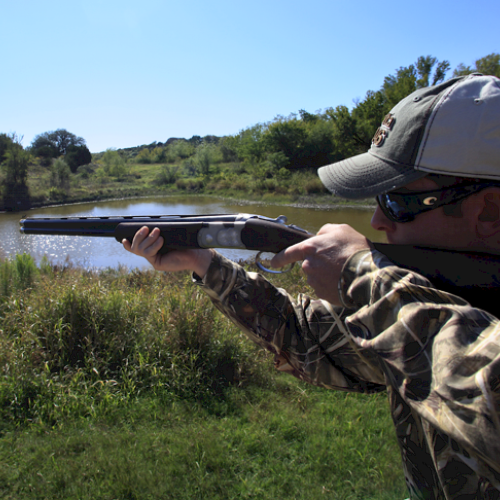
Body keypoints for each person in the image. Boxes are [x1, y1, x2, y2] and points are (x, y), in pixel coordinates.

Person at [123, 73, 500, 500]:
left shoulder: (399, 300)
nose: (376, 222)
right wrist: (203, 262)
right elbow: (311, 341)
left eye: (397, 201)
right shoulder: (426, 303)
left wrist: (362, 275)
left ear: (489, 211)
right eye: (376, 201)